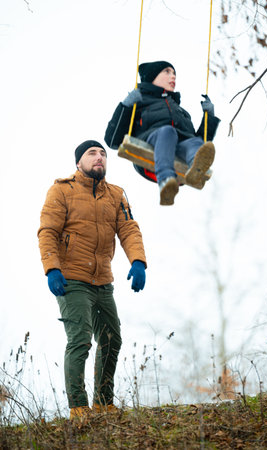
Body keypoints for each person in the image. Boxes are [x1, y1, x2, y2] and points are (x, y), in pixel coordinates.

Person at [38, 140, 147, 420]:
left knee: (112, 339)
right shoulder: (61, 190)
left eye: (103, 154)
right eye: (92, 153)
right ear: (79, 162)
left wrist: (137, 261)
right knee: (80, 340)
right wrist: (52, 268)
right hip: (71, 280)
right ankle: (78, 408)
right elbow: (48, 231)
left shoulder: (116, 195)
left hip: (103, 281)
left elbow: (129, 230)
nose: (99, 157)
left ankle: (103, 402)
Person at [104, 60, 220, 206]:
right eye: (167, 72)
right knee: (167, 132)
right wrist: (125, 107)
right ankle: (166, 181)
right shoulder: (140, 102)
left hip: (178, 154)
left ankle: (195, 169)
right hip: (151, 149)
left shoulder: (181, 111)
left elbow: (202, 141)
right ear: (153, 77)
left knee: (195, 143)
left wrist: (209, 117)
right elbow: (112, 140)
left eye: (174, 73)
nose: (173, 77)